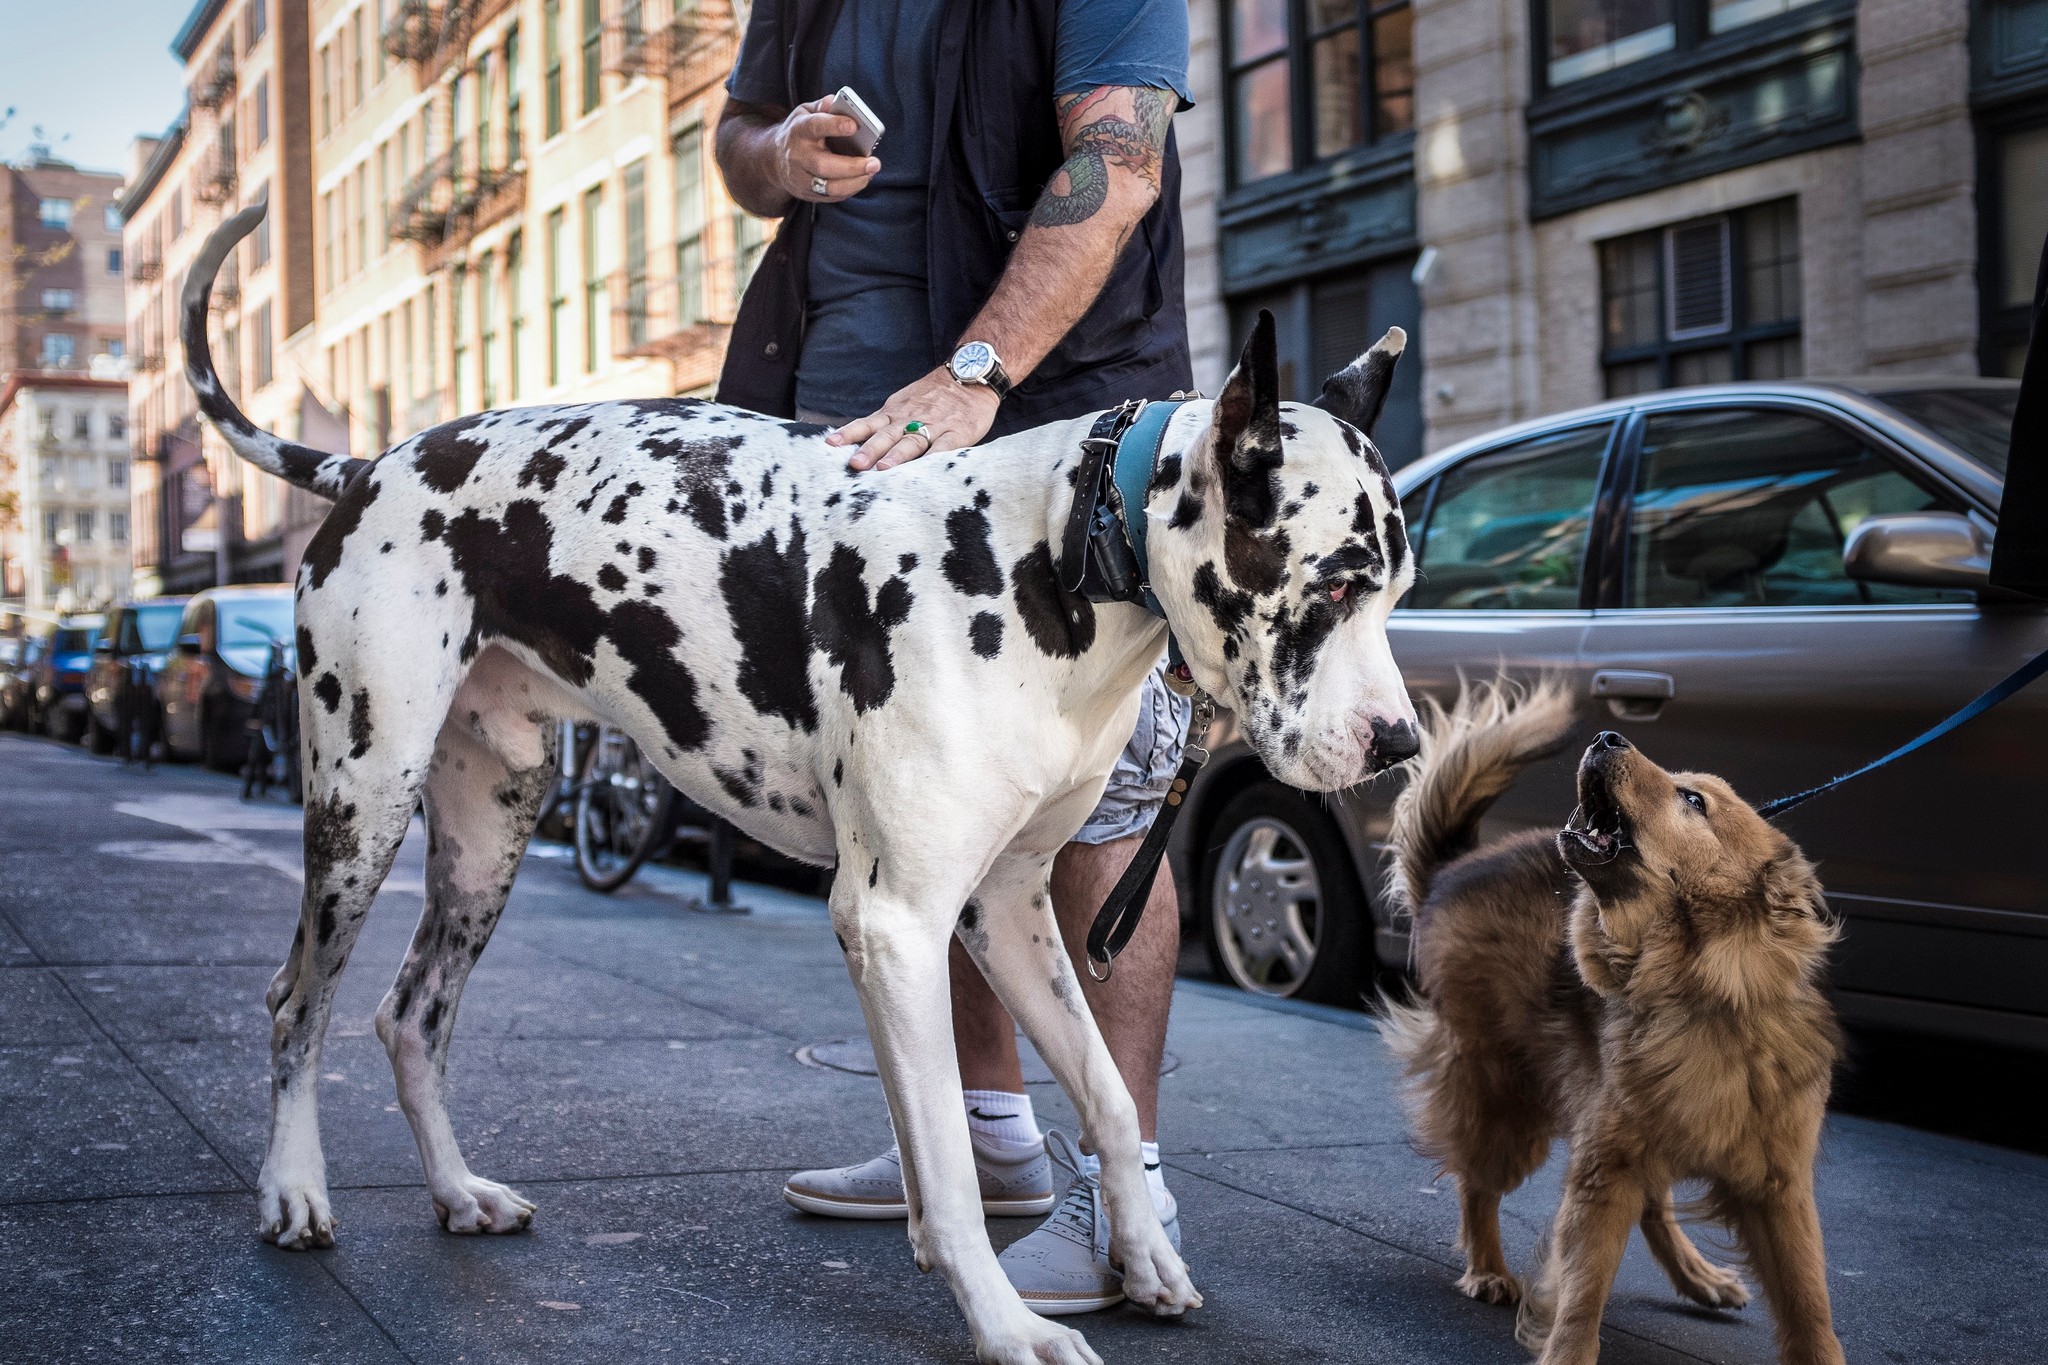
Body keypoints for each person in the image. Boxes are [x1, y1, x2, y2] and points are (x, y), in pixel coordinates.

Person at [714, 0, 1195, 1316]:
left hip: (1053, 407)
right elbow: (737, 136)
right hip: (846, 425)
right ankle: (989, 1138)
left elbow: (1121, 159)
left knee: (1106, 797)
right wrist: (779, 161)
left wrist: (979, 365)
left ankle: (1124, 1184)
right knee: (915, 801)